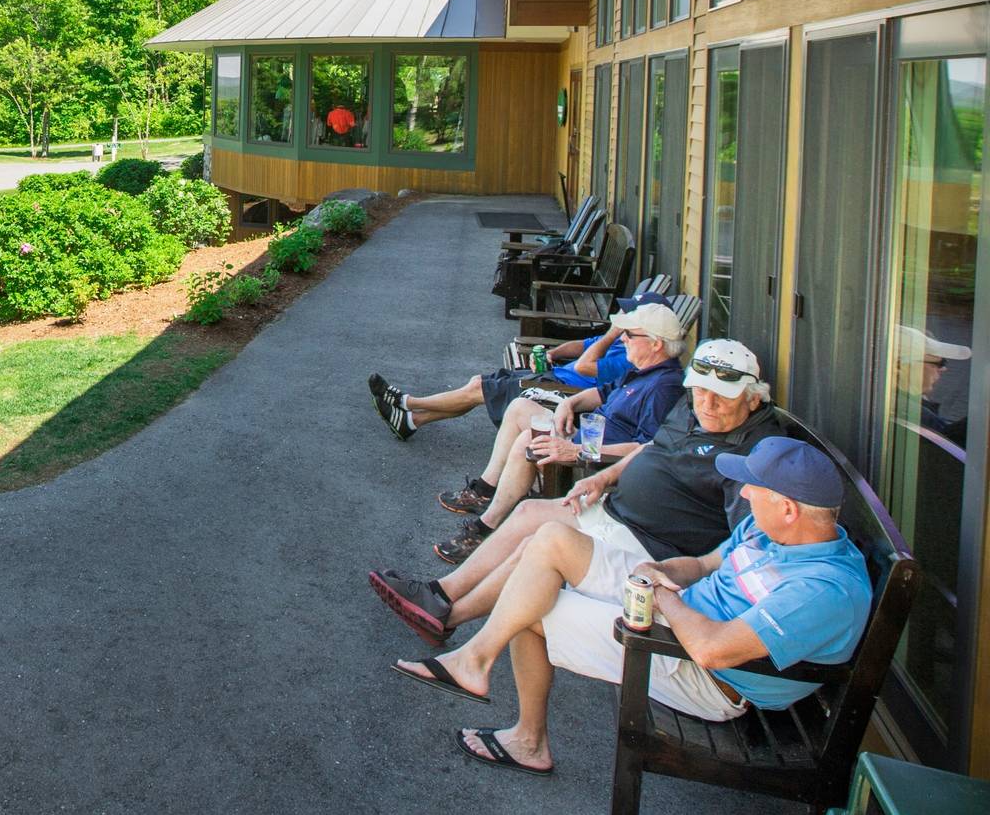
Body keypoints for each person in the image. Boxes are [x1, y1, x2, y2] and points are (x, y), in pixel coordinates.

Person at [389, 437, 872, 777]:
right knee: (553, 536)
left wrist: (660, 595)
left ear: (788, 507)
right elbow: (703, 563)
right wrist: (663, 575)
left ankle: (527, 738)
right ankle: (475, 659)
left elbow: (710, 650)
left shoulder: (822, 590)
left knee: (532, 609)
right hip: (677, 609)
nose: (743, 494)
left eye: (753, 489)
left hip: (706, 675)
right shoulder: (773, 530)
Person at [369, 339, 783, 644]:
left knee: (541, 541)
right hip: (618, 510)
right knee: (531, 516)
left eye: (721, 395)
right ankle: (439, 595)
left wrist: (680, 583)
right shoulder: (692, 408)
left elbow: (743, 549)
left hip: (652, 545)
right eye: (701, 391)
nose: (707, 403)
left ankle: (446, 614)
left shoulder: (756, 456)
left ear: (751, 396)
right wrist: (603, 478)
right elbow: (650, 448)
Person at [425, 303, 690, 564]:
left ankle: (485, 527)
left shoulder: (664, 388)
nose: (623, 338)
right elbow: (600, 393)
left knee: (529, 441)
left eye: (630, 334)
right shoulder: (641, 371)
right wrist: (569, 404)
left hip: (595, 460)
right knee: (520, 407)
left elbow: (647, 448)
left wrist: (577, 450)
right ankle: (485, 491)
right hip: (583, 437)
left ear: (656, 344)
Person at [366, 288, 668, 442]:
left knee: (478, 388)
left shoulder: (627, 353)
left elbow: (583, 368)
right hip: (550, 375)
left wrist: (615, 332)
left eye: (630, 319)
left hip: (559, 388)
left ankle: (406, 402)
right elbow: (582, 346)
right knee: (479, 384)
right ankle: (410, 421)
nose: (621, 318)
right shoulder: (624, 342)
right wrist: (556, 351)